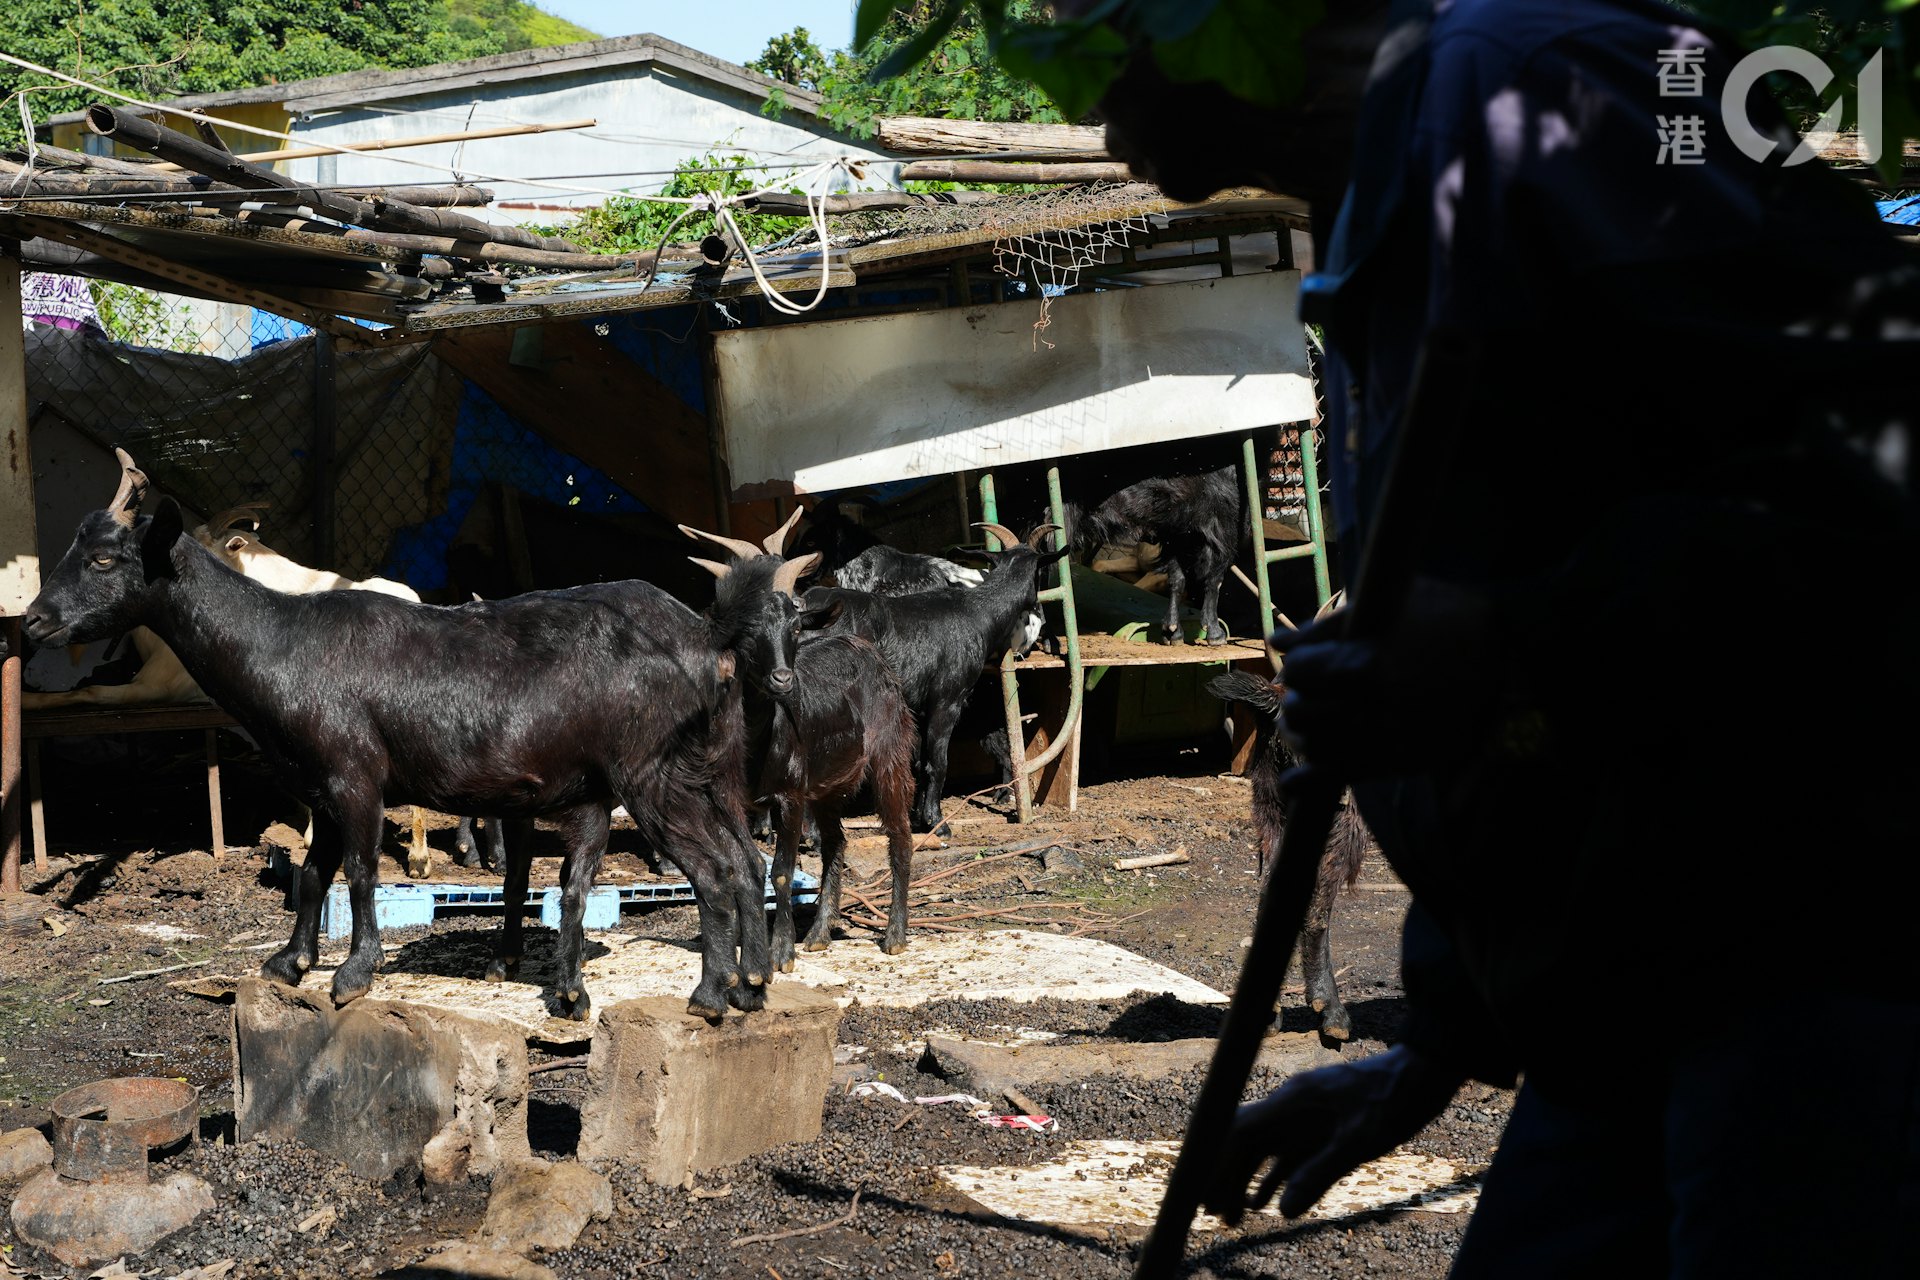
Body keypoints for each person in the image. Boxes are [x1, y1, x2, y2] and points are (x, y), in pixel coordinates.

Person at [1081, 1, 1920, 1275]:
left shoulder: (1547, 91)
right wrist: (1442, 1037)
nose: (1072, 91)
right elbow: (1491, 676)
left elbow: (1887, 471)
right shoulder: (1375, 197)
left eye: (1084, 22)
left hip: (1815, 971)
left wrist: (1523, 647)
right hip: (1631, 999)